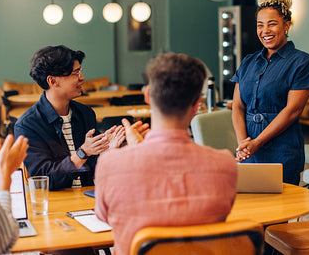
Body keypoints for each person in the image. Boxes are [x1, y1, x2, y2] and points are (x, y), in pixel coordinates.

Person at [95, 53, 237, 255]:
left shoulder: (110, 163)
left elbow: (103, 217)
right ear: (197, 105)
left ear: (147, 94)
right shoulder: (225, 164)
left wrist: (131, 152)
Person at [231, 0, 309, 185]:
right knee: (251, 210)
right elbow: (237, 106)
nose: (265, 31)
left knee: (280, 212)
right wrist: (243, 143)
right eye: (260, 25)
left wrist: (257, 142)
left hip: (283, 148)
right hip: (248, 149)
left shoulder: (301, 61)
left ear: (286, 25)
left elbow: (293, 111)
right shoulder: (248, 61)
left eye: (272, 24)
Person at [14, 45, 128, 190]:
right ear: (53, 81)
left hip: (88, 196)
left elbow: (94, 169)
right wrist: (82, 153)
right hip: (56, 204)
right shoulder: (28, 125)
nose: (82, 78)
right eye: (75, 73)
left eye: (80, 71)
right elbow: (44, 180)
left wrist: (107, 151)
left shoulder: (85, 113)